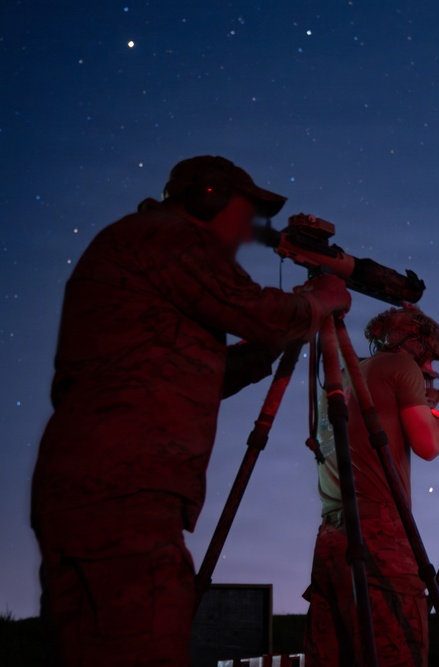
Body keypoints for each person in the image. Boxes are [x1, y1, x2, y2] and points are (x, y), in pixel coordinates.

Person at [31, 155, 352, 667]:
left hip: (105, 486)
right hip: (125, 491)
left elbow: (188, 372)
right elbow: (256, 309)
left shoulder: (145, 248)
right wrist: (320, 303)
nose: (250, 232)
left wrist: (271, 343)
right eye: (244, 214)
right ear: (210, 199)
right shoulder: (170, 237)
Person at [303, 305, 439, 667]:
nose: (429, 374)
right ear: (416, 345)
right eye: (428, 363)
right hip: (379, 536)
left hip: (331, 539)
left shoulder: (348, 374)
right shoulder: (401, 368)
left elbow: (386, 423)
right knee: (399, 649)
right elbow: (427, 445)